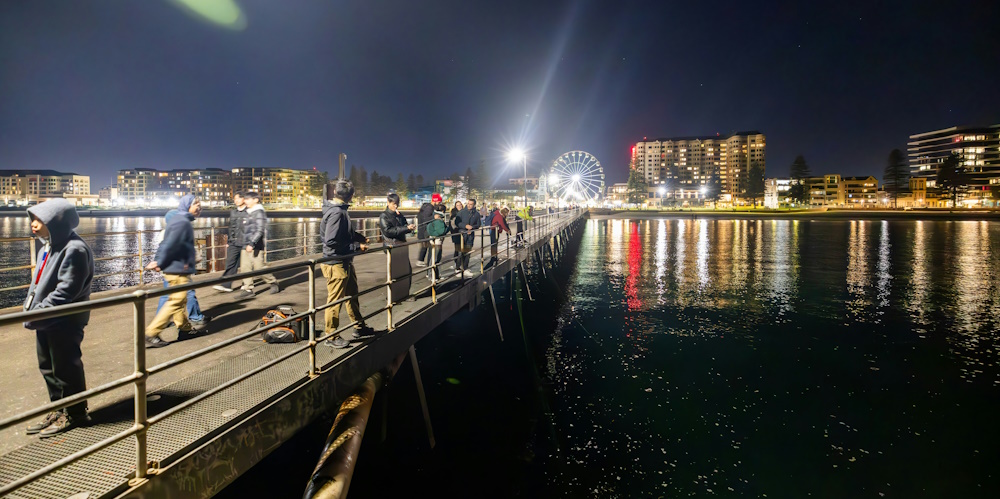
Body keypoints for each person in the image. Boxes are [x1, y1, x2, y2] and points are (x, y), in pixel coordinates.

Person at [22, 199, 95, 437]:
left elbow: (67, 291)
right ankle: (59, 408)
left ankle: (76, 413)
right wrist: (37, 312)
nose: (33, 224)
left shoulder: (74, 249)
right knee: (48, 367)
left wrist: (39, 310)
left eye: (39, 220)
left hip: (65, 319)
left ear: (56, 222)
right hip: (46, 317)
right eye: (33, 219)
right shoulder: (49, 246)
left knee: (66, 367)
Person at [144, 194, 206, 348]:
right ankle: (151, 332)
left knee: (179, 300)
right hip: (177, 269)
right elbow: (170, 244)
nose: (199, 207)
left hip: (177, 268)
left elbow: (171, 244)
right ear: (187, 205)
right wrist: (161, 262)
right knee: (176, 300)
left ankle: (185, 330)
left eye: (199, 203)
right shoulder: (182, 222)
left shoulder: (181, 220)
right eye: (195, 203)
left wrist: (161, 262)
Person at [320, 181, 375, 349]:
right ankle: (331, 335)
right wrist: (357, 247)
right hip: (336, 262)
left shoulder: (337, 209)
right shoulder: (337, 213)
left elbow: (344, 233)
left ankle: (359, 327)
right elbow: (331, 241)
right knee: (334, 301)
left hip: (343, 261)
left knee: (352, 295)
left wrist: (359, 237)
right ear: (351, 196)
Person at [154, 204, 208, 330]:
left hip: (170, 269)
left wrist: (159, 263)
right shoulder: (175, 231)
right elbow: (171, 249)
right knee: (187, 293)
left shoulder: (166, 231)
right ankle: (195, 317)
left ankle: (180, 325)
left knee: (169, 295)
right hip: (177, 269)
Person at [237, 191, 279, 299]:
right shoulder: (247, 212)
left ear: (255, 200)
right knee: (245, 268)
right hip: (244, 244)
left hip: (255, 245)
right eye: (245, 199)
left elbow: (259, 230)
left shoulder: (259, 212)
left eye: (248, 199)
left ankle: (273, 281)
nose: (245, 201)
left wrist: (252, 243)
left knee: (258, 268)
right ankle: (248, 289)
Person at [213, 191, 247, 292]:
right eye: (234, 199)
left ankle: (247, 284)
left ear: (243, 199)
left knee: (245, 265)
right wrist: (229, 240)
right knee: (230, 263)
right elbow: (231, 227)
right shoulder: (233, 212)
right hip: (234, 242)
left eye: (238, 198)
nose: (236, 201)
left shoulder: (249, 212)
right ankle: (226, 285)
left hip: (245, 242)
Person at [456, 198, 482, 277]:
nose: (469, 205)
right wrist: (465, 226)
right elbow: (457, 222)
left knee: (468, 252)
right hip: (462, 234)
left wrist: (472, 228)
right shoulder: (462, 212)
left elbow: (478, 225)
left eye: (471, 204)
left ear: (474, 205)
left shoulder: (476, 214)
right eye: (468, 204)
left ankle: (465, 268)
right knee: (460, 252)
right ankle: (458, 268)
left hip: (470, 235)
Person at [415, 199, 434, 267]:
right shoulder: (426, 214)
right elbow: (426, 220)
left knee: (424, 247)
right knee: (424, 247)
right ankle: (420, 260)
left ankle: (421, 260)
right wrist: (434, 217)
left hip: (420, 231)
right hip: (424, 232)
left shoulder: (420, 214)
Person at [449, 200, 464, 271]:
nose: (459, 206)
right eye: (457, 205)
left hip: (463, 234)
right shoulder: (454, 215)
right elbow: (452, 225)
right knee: (458, 250)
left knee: (462, 250)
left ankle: (460, 264)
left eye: (460, 205)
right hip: (457, 234)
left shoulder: (464, 212)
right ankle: (457, 265)